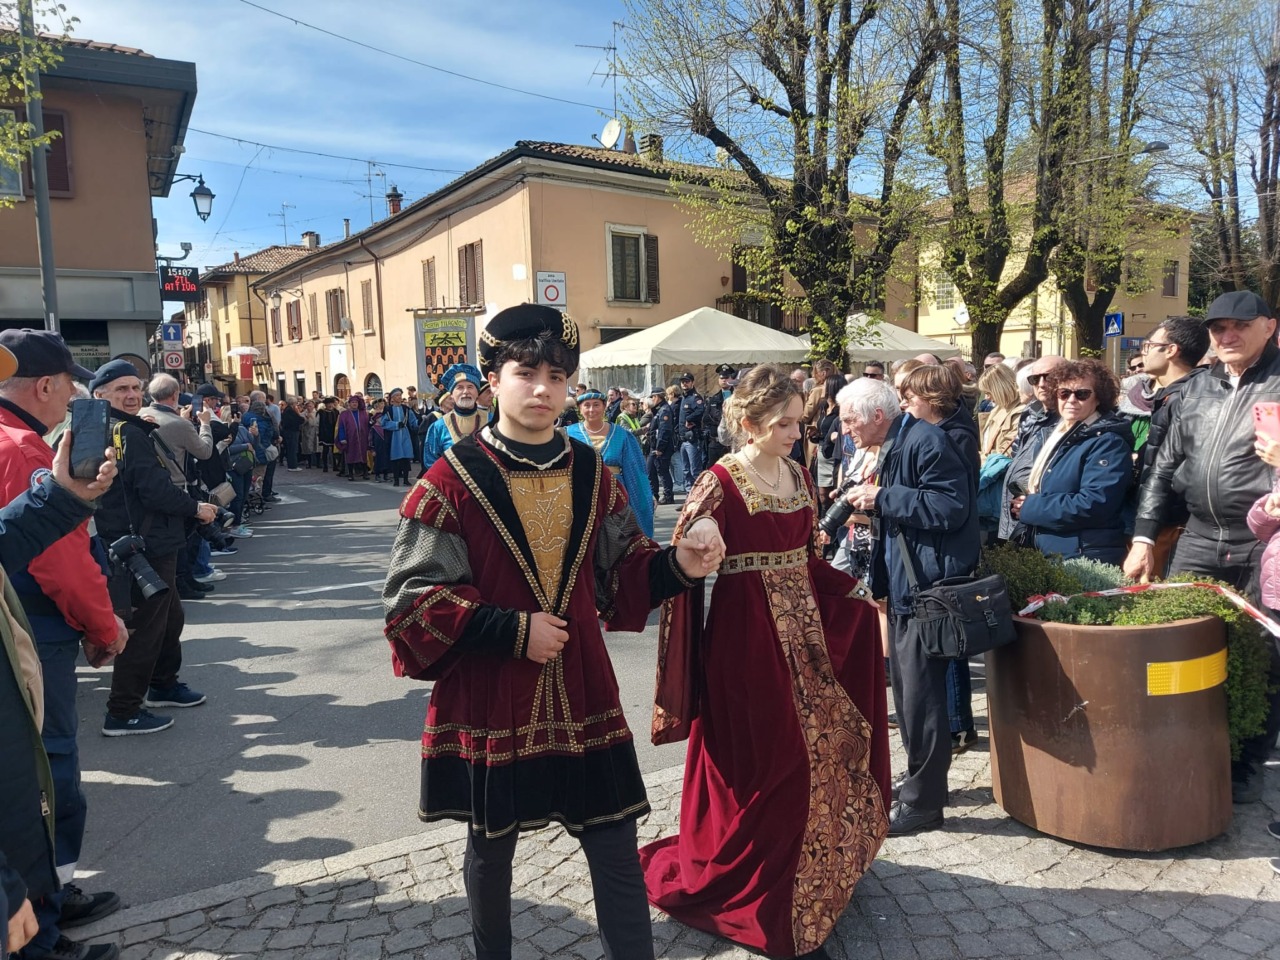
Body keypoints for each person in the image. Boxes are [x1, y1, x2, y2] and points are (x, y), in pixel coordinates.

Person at [382, 303, 723, 960]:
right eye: (526, 373)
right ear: (492, 380)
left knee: (615, 842)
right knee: (491, 850)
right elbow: (411, 603)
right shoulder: (450, 479)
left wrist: (679, 564)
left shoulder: (593, 472)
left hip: (582, 688)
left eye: (557, 376)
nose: (543, 389)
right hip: (492, 691)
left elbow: (621, 571)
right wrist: (513, 630)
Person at [641, 364, 889, 960]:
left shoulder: (798, 475)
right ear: (750, 423)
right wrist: (704, 531)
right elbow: (694, 535)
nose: (795, 433)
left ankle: (810, 872)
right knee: (772, 760)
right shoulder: (720, 480)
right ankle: (769, 898)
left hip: (806, 643)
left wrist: (854, 594)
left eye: (798, 422)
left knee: (823, 751)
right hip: (746, 645)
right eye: (783, 424)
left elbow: (806, 560)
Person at [1125, 291, 1280, 804]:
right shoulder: (1195, 389)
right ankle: (1181, 744)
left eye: (1240, 325)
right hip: (1198, 535)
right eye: (1218, 328)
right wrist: (1144, 537)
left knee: (1262, 655)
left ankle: (1245, 762)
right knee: (1180, 641)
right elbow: (1161, 469)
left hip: (1262, 541)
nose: (1227, 336)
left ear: (1269, 327)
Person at [0, 335, 127, 960]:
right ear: (46, 386)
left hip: (25, 626)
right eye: (71, 384)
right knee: (44, 784)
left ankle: (46, 904)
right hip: (35, 634)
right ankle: (42, 928)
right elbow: (61, 564)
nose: (76, 395)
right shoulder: (21, 446)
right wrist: (104, 628)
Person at [842, 376, 978, 836]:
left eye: (850, 420)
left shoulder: (926, 441)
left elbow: (950, 508)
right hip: (907, 585)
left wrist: (882, 497)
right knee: (909, 696)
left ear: (878, 416)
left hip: (926, 588)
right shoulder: (903, 441)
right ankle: (921, 782)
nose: (845, 429)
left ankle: (924, 803)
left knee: (924, 699)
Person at [92, 360, 215, 737]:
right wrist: (195, 508)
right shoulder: (125, 432)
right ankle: (123, 711)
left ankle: (163, 684)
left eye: (135, 387)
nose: (131, 395)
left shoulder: (116, 428)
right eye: (121, 389)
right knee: (146, 627)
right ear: (100, 395)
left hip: (145, 540)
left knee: (169, 617)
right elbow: (154, 490)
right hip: (145, 543)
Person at [1133, 316, 1210, 575]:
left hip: (1173, 524)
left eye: (1149, 346)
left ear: (1171, 350)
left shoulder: (1186, 397)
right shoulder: (1173, 393)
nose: (1144, 352)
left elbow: (1172, 466)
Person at [566, 391, 654, 537]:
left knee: (615, 539)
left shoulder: (621, 434)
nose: (591, 409)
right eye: (587, 405)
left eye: (596, 405)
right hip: (581, 493)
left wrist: (645, 497)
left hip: (615, 495)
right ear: (580, 409)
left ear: (604, 406)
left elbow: (635, 471)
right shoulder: (567, 434)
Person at [421, 363, 484, 471]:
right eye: (460, 387)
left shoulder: (492, 421)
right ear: (452, 394)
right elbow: (431, 463)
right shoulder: (438, 427)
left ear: (477, 392)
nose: (466, 392)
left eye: (470, 387)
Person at [244, 392, 280, 501]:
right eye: (263, 399)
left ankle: (254, 497)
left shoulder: (245, 416)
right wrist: (276, 437)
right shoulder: (264, 418)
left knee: (253, 475)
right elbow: (270, 432)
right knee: (262, 474)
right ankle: (261, 496)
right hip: (264, 447)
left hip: (249, 448)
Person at [381, 388, 419, 487]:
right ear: (392, 398)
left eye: (400, 395)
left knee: (406, 458)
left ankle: (406, 479)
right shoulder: (388, 409)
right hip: (394, 436)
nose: (399, 397)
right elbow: (383, 423)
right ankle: (396, 480)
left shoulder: (406, 409)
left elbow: (413, 421)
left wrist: (419, 422)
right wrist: (396, 424)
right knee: (396, 458)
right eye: (397, 395)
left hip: (405, 434)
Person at [676, 372, 706, 491]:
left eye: (687, 381)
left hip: (692, 439)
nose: (684, 384)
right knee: (686, 470)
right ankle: (689, 495)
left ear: (692, 383)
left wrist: (689, 419)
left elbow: (701, 411)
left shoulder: (695, 397)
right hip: (683, 438)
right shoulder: (683, 398)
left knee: (695, 470)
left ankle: (699, 495)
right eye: (683, 382)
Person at [702, 364, 737, 464]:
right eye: (722, 378)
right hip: (715, 443)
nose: (724, 380)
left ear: (731, 379)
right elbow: (706, 418)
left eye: (726, 377)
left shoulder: (736, 396)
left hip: (731, 443)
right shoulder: (714, 398)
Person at [647, 387, 675, 505]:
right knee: (651, 471)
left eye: (653, 397)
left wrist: (660, 448)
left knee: (662, 471)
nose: (652, 399)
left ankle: (668, 496)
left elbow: (664, 430)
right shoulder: (658, 410)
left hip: (661, 447)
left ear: (658, 397)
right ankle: (654, 495)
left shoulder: (664, 410)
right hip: (654, 446)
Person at [336, 395, 371, 480]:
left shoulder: (363, 413)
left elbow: (367, 425)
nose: (354, 404)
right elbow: (341, 427)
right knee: (350, 455)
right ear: (349, 404)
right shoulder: (344, 414)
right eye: (352, 402)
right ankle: (350, 474)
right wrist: (342, 438)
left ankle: (365, 473)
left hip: (362, 437)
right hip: (350, 438)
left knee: (363, 455)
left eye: (356, 402)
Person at [369, 398, 392, 482]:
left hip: (385, 447)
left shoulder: (385, 428)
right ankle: (377, 475)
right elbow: (370, 439)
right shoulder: (374, 428)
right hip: (377, 448)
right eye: (379, 418)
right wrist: (372, 449)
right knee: (378, 462)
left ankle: (386, 475)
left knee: (386, 461)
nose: (381, 420)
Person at [281, 397, 304, 471]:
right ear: (293, 403)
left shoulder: (287, 410)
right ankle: (293, 466)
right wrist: (298, 413)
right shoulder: (290, 411)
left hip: (289, 431)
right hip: (292, 432)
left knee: (291, 449)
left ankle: (292, 465)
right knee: (292, 449)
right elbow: (299, 420)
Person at [317, 396, 339, 473]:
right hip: (325, 433)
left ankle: (335, 466)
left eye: (331, 403)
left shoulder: (336, 412)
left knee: (334, 450)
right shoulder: (321, 412)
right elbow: (318, 423)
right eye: (328, 404)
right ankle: (325, 466)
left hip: (334, 433)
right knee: (325, 450)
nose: (330, 405)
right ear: (325, 405)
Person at [300, 399, 319, 468]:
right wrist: (306, 419)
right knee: (308, 448)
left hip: (315, 432)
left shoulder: (317, 413)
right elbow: (300, 424)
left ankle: (318, 463)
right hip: (307, 432)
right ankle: (309, 463)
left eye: (310, 406)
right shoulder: (303, 414)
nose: (309, 408)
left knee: (317, 447)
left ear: (313, 406)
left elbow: (318, 422)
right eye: (308, 406)